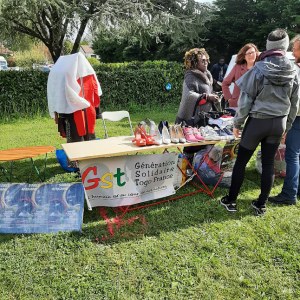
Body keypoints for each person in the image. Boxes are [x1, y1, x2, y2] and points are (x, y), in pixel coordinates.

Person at [220, 28, 299, 216]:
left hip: (258, 122)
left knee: (241, 161)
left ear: (268, 45)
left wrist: (237, 124)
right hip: (278, 123)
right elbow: (294, 104)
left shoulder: (259, 68)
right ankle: (261, 205)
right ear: (286, 45)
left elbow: (245, 101)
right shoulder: (293, 70)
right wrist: (286, 127)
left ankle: (231, 201)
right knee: (269, 163)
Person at [268, 35, 300, 205]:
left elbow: (294, 99)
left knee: (292, 156)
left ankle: (289, 194)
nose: (292, 52)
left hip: (298, 118)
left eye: (295, 48)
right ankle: (297, 188)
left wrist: (287, 124)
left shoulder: (296, 69)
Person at [175, 48, 221, 127]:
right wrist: (207, 96)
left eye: (206, 60)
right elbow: (188, 95)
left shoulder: (208, 74)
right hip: (194, 120)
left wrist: (214, 95)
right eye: (202, 61)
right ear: (194, 63)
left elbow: (207, 91)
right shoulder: (190, 76)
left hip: (206, 117)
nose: (206, 63)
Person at [222, 43, 259, 108]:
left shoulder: (260, 68)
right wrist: (229, 99)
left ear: (256, 53)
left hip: (255, 106)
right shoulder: (237, 67)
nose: (251, 55)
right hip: (237, 105)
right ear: (244, 56)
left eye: (252, 52)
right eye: (248, 53)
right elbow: (225, 83)